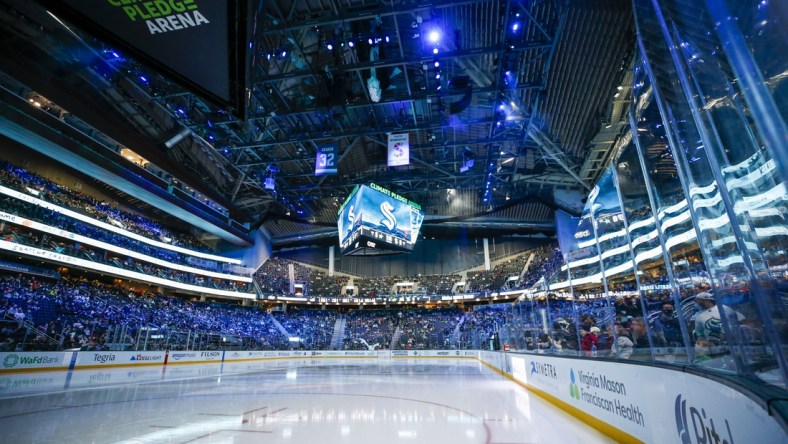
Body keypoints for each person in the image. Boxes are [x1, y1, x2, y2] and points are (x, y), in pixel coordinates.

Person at [692, 292, 744, 363]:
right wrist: (703, 343)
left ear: (705, 300)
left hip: (733, 345)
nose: (697, 303)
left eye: (698, 300)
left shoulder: (724, 308)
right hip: (714, 349)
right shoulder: (699, 316)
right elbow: (699, 334)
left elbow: (736, 323)